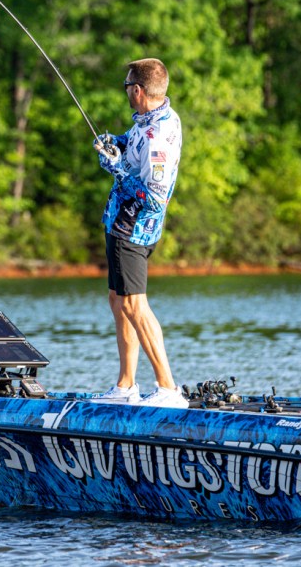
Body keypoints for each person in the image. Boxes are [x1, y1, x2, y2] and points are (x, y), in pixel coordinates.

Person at [90, 57, 186, 408]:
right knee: (118, 300)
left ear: (138, 90)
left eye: (127, 86)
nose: (126, 92)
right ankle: (126, 386)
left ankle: (168, 389)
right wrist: (115, 143)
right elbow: (135, 145)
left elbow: (155, 196)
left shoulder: (158, 135)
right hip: (120, 222)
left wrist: (115, 167)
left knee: (133, 303)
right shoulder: (156, 118)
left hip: (134, 228)